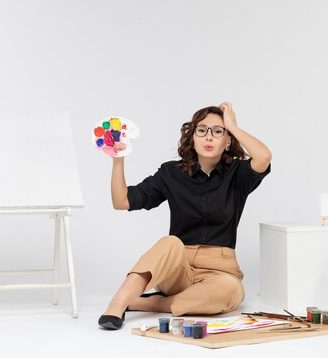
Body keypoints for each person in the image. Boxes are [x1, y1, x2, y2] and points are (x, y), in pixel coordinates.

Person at [98, 102, 272, 330]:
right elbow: (121, 201)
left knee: (230, 292)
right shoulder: (171, 173)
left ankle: (146, 303)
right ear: (193, 137)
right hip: (178, 267)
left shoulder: (237, 174)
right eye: (202, 130)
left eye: (218, 131)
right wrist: (118, 159)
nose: (209, 137)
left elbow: (264, 157)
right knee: (170, 242)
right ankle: (118, 304)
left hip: (219, 270)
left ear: (227, 140)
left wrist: (233, 125)